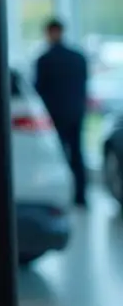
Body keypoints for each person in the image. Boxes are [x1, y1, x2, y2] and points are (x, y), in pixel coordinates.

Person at [34, 18, 89, 207]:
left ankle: (62, 196)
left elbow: (39, 89)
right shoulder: (78, 57)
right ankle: (80, 197)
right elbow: (84, 85)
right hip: (76, 112)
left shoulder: (44, 60)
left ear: (49, 33)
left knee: (58, 156)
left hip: (54, 114)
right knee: (77, 154)